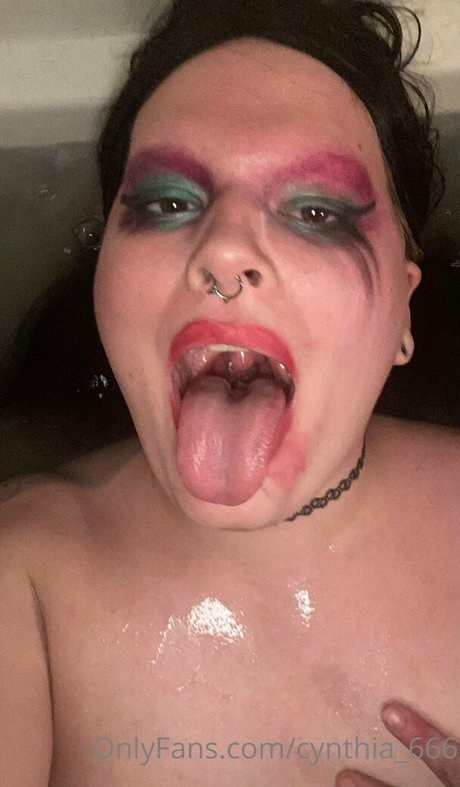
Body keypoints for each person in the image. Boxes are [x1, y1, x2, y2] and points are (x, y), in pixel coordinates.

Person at [0, 0, 459, 785]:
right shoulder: (24, 579)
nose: (224, 250)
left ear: (403, 316)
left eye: (315, 210)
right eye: (168, 203)